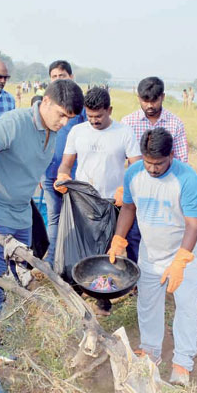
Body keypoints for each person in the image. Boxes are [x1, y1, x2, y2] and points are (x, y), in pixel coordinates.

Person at [0, 79, 84, 393]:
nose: (64, 122)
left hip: (21, 218)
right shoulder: (13, 124)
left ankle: (7, 343)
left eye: (70, 117)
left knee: (21, 285)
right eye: (60, 114)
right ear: (44, 102)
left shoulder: (54, 131)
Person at [107, 127, 197, 387]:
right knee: (148, 303)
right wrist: (119, 239)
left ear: (170, 155)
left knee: (185, 307)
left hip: (183, 251)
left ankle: (183, 362)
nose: (152, 169)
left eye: (158, 164)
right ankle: (150, 350)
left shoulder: (187, 179)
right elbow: (128, 207)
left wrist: (181, 261)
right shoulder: (133, 174)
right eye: (148, 162)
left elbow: (193, 225)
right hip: (151, 251)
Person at [55, 87, 141, 314]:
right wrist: (63, 176)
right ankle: (76, 292)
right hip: (83, 200)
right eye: (90, 116)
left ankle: (104, 298)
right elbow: (66, 163)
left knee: (105, 253)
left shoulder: (124, 133)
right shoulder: (77, 132)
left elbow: (136, 165)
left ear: (109, 110)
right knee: (80, 248)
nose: (94, 121)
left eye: (99, 116)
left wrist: (126, 188)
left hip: (112, 201)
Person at [122, 76, 190, 262]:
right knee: (135, 234)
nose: (149, 105)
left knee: (163, 234)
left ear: (163, 97)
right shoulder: (128, 123)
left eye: (154, 100)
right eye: (145, 101)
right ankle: (138, 277)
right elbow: (122, 160)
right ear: (138, 98)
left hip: (166, 189)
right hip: (138, 190)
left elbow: (182, 161)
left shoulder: (175, 124)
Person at [40, 61, 87, 265]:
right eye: (54, 77)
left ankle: (74, 260)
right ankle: (52, 258)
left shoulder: (79, 108)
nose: (58, 80)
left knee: (75, 217)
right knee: (54, 215)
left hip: (72, 174)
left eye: (62, 76)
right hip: (49, 172)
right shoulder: (48, 107)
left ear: (71, 77)